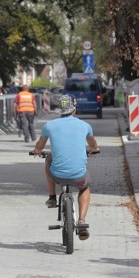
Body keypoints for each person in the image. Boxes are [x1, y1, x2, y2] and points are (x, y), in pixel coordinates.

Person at [31, 95, 99, 240]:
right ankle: (81, 220)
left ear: (59, 111)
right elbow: (93, 144)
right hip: (78, 176)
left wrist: (36, 152)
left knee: (48, 159)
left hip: (57, 175)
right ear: (74, 109)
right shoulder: (85, 126)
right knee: (84, 187)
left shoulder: (49, 126)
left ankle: (51, 197)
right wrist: (94, 148)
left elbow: (39, 146)